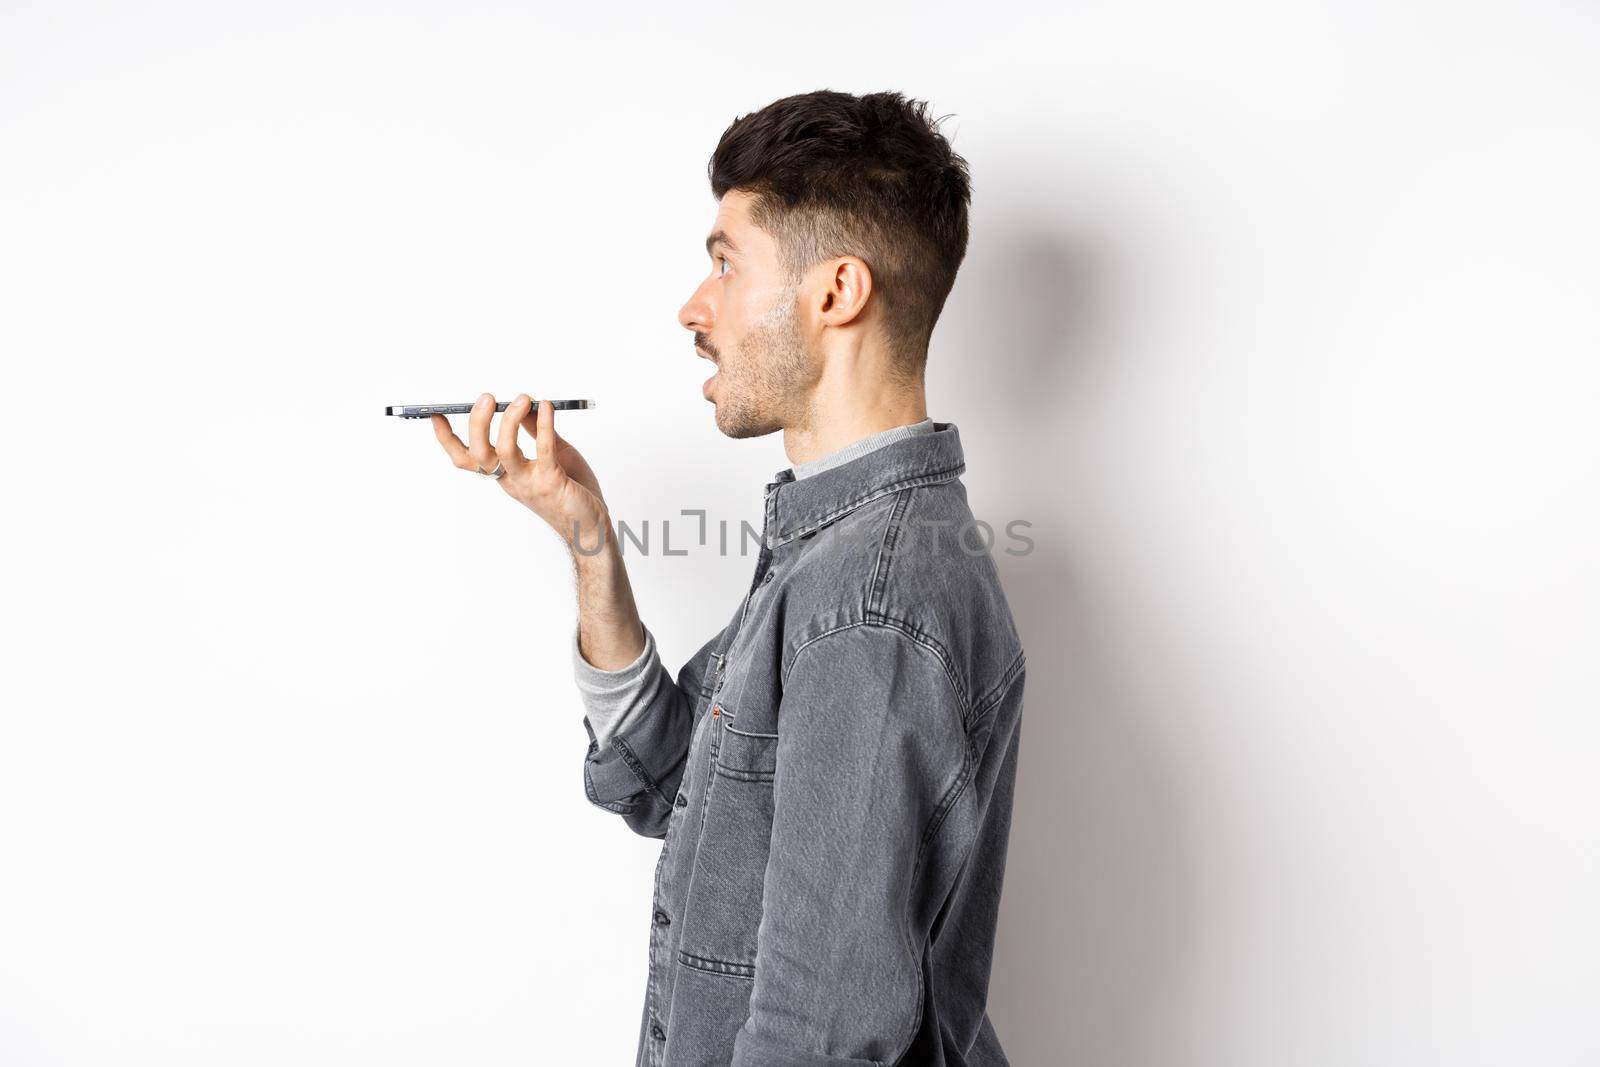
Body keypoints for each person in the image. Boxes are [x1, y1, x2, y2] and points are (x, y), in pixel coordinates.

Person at [430, 89, 1025, 1067]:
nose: (691, 309)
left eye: (724, 264)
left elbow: (819, 1034)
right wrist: (586, 536)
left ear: (835, 293)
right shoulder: (837, 548)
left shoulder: (865, 603)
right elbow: (672, 783)